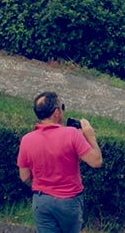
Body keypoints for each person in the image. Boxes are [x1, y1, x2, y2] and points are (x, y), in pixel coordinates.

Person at [16, 91, 102, 233]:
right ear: (56, 112)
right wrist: (90, 136)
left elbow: (24, 176)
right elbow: (96, 161)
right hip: (69, 200)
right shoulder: (71, 134)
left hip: (41, 200)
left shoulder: (27, 139)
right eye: (62, 107)